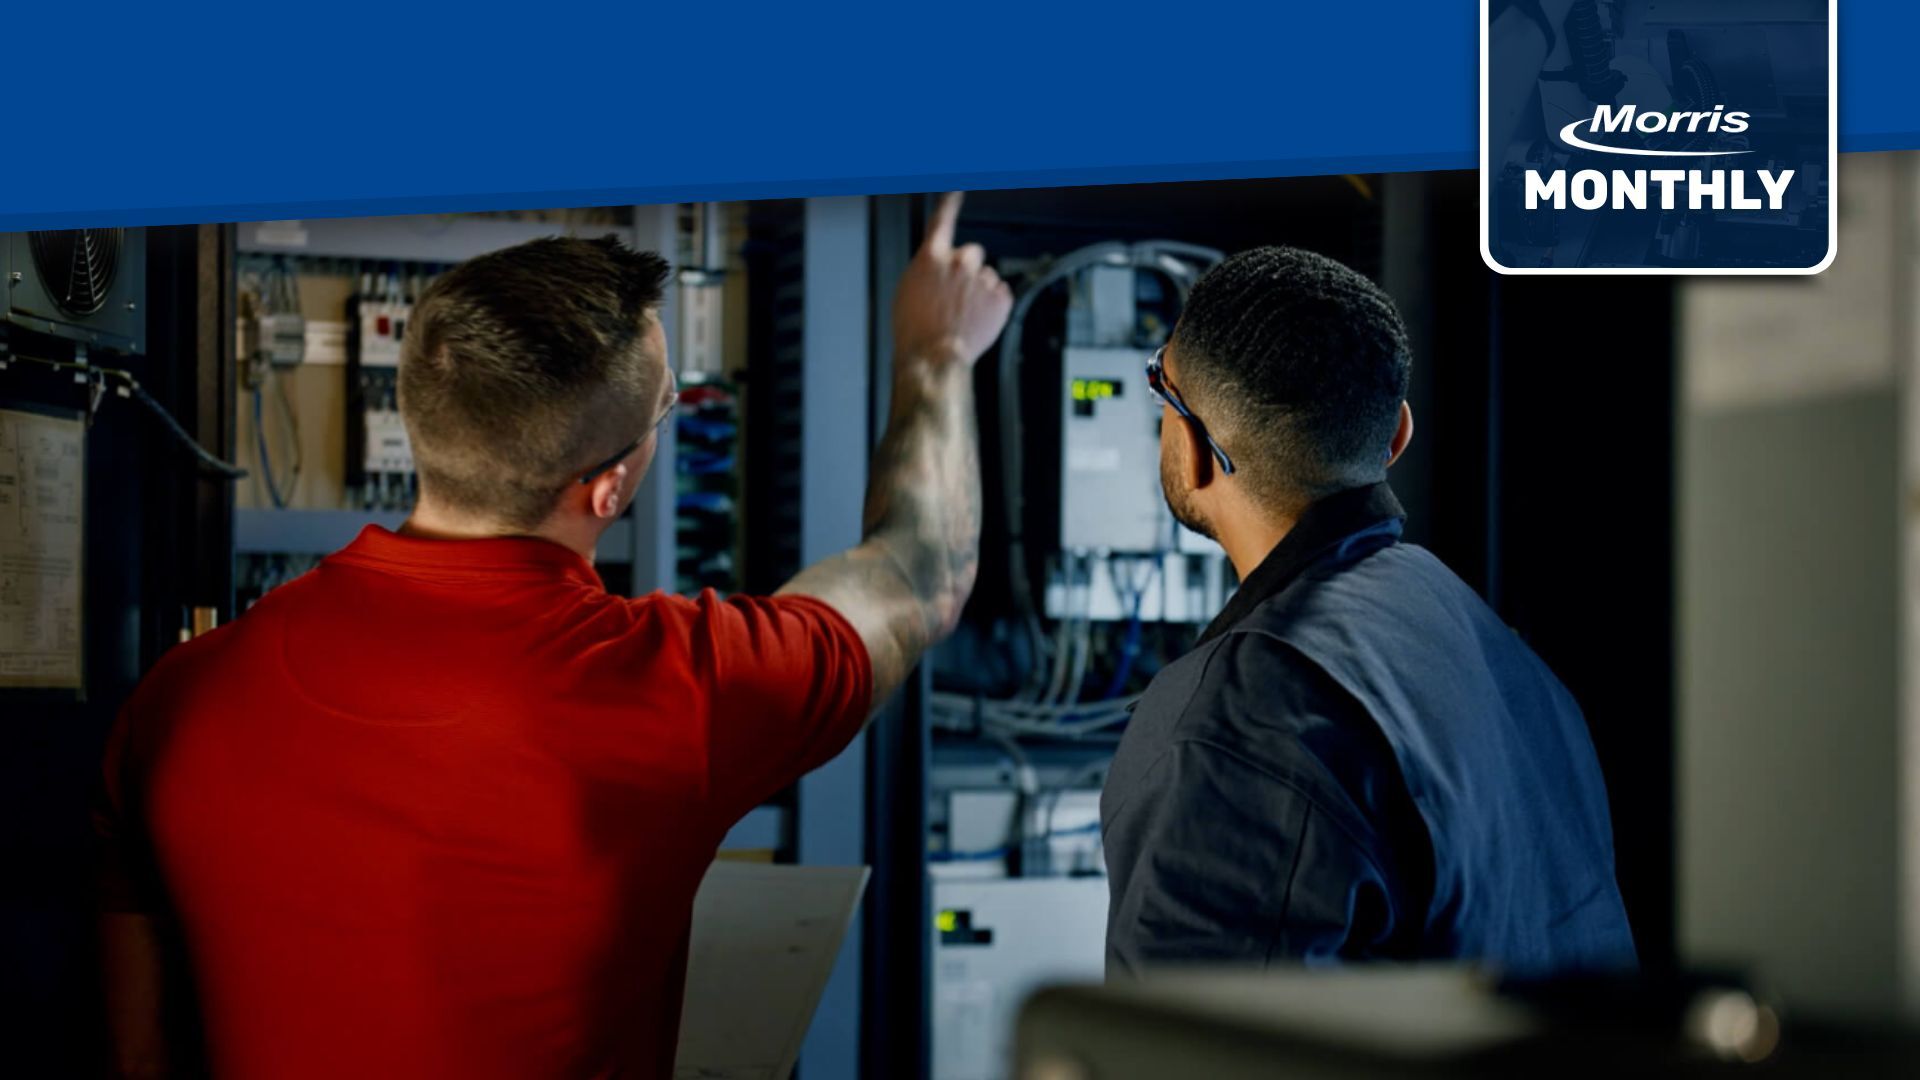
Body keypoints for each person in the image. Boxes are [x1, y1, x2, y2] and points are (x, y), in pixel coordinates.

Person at [95, 193, 1010, 1078]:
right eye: (667, 407)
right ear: (607, 488)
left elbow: (139, 1055)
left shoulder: (182, 694)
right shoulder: (681, 690)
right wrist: (935, 351)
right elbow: (923, 570)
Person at [1101, 246, 1636, 975]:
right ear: (1396, 437)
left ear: (1192, 447)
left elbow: (1189, 1049)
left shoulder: (1234, 723)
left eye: (1161, 389)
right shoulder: (1497, 651)